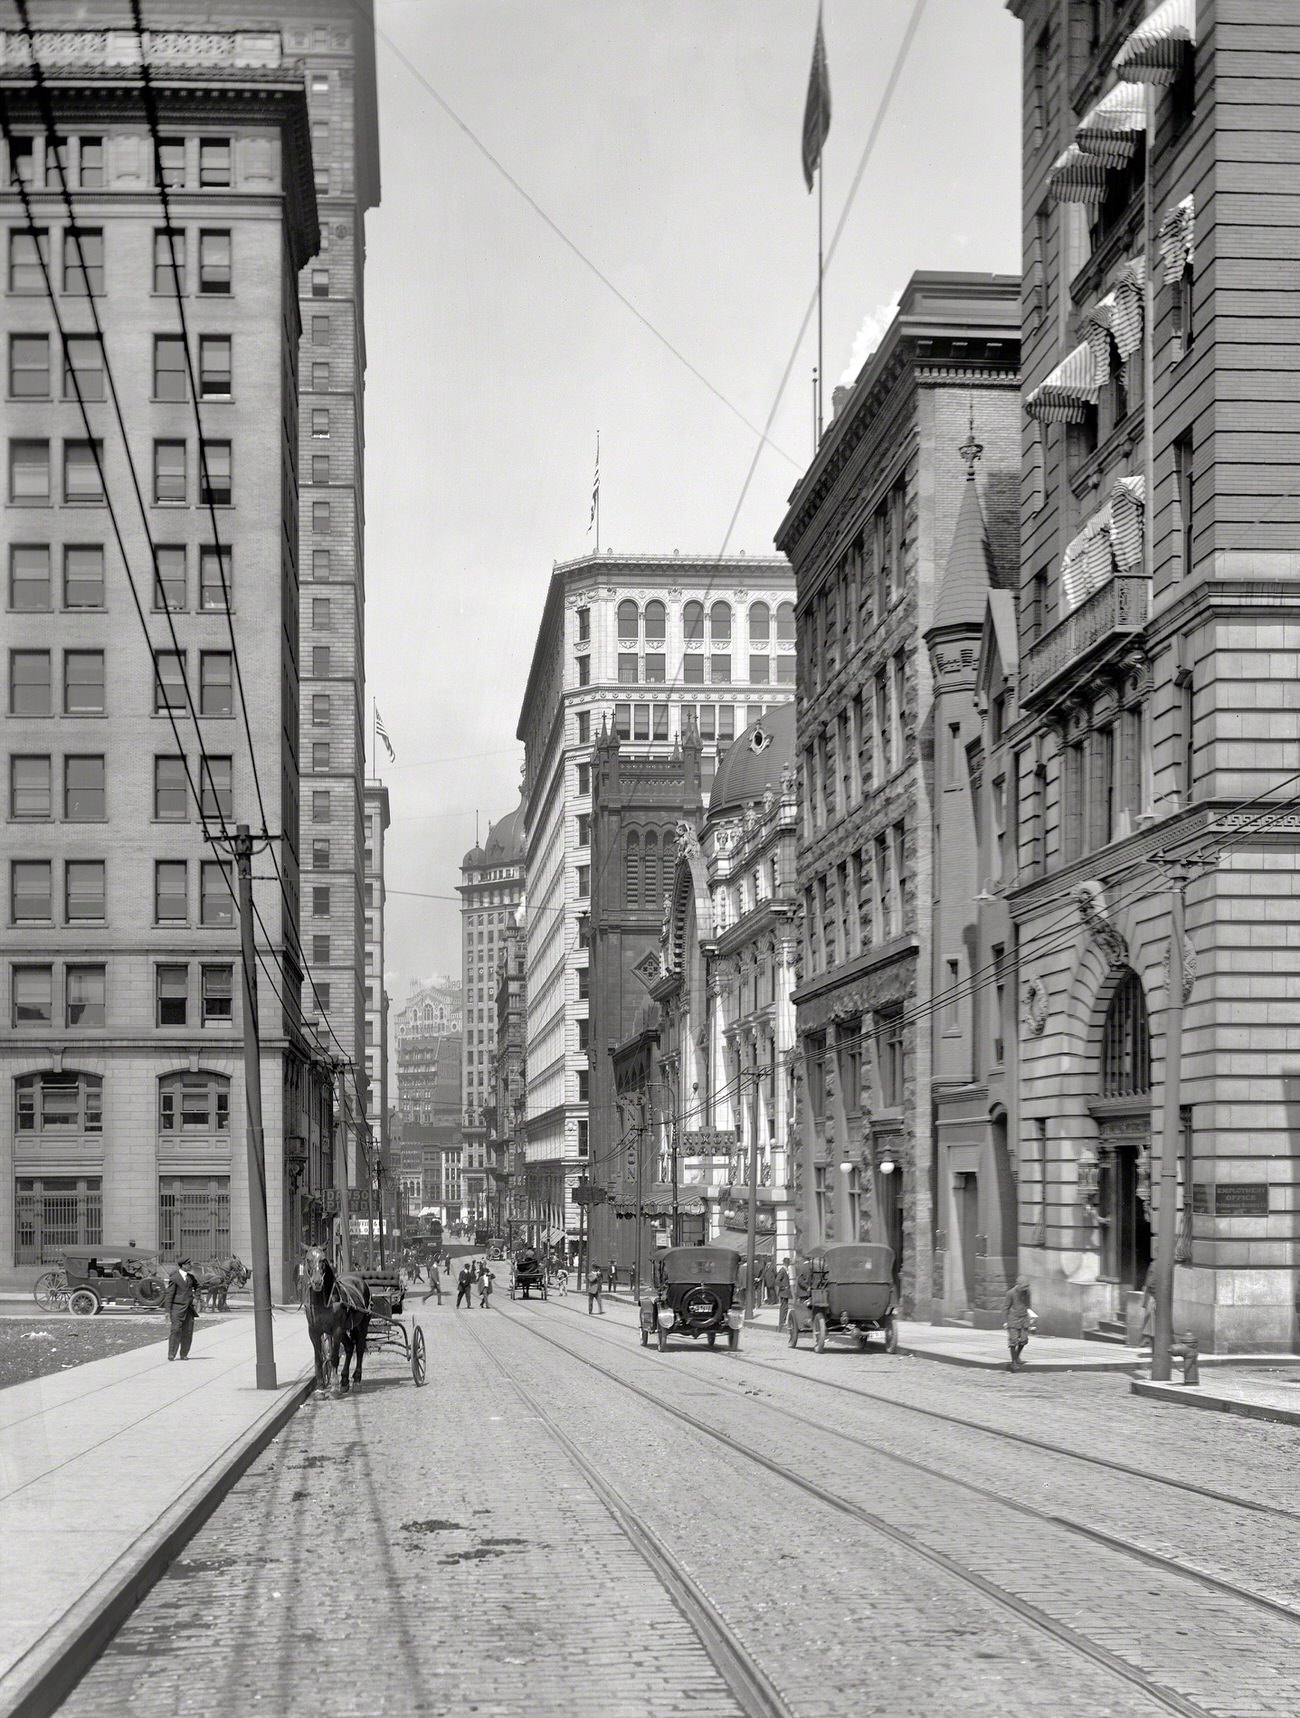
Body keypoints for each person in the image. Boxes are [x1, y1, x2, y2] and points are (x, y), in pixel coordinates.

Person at [163, 1256, 198, 1360]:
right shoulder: (174, 1278)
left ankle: (184, 1354)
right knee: (175, 1331)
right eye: (188, 1264)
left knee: (188, 1332)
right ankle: (171, 1354)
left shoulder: (191, 1277)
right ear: (183, 1265)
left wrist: (197, 1296)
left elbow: (198, 1287)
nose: (190, 1265)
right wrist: (167, 1311)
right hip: (177, 1309)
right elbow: (169, 1295)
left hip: (189, 1310)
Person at [1004, 1276, 1033, 1372]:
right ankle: (1013, 1362)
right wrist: (1006, 1321)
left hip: (1024, 1318)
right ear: (1018, 1285)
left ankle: (1016, 1357)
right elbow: (1005, 1308)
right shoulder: (1010, 1293)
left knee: (1024, 1340)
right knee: (1013, 1341)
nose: (1025, 1289)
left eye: (1027, 1287)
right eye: (1024, 1287)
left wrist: (1031, 1316)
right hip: (1013, 1319)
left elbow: (1028, 1305)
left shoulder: (1028, 1292)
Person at [776, 1256, 792, 1330]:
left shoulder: (785, 1270)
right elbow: (777, 1281)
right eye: (788, 1263)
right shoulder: (782, 1270)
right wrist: (783, 1286)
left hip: (785, 1292)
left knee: (785, 1307)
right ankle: (781, 1322)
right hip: (783, 1292)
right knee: (784, 1307)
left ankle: (783, 1322)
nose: (788, 1265)